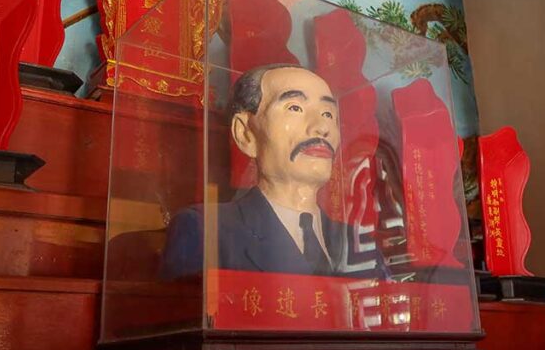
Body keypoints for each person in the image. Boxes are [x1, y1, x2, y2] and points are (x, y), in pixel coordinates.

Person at [159, 64, 387, 279]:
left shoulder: (357, 243)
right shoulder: (206, 230)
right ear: (245, 133)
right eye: (295, 108)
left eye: (328, 114)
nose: (322, 127)